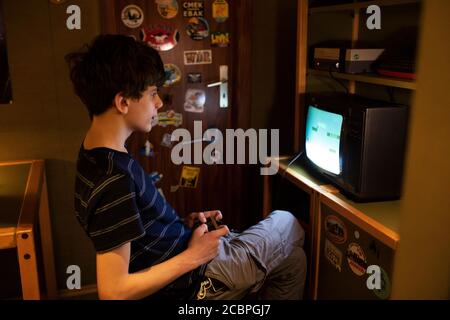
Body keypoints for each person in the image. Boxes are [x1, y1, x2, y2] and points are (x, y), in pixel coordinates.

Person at [67, 34, 307, 300]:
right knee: (287, 222)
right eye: (152, 94)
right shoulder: (113, 180)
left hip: (184, 252)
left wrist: (181, 225)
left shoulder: (96, 152)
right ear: (123, 102)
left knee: (294, 261)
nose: (159, 103)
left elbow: (129, 227)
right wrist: (194, 256)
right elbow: (113, 291)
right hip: (195, 279)